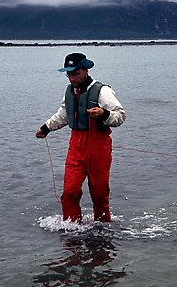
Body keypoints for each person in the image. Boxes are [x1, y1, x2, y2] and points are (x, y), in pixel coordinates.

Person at [36, 53, 126, 223]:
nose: (71, 78)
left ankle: (103, 228)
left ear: (86, 70)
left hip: (99, 145)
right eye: (68, 74)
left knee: (99, 193)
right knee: (70, 191)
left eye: (75, 73)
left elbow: (120, 116)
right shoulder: (69, 91)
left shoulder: (102, 91)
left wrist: (104, 113)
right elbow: (64, 114)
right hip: (76, 145)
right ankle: (71, 230)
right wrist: (46, 127)